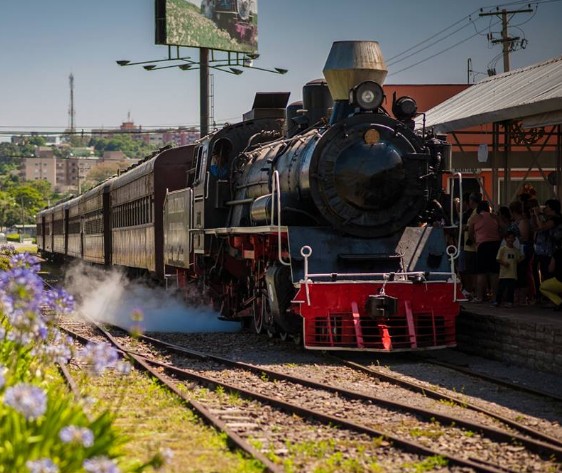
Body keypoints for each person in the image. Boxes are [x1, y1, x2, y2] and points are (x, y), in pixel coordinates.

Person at [467, 199, 502, 302]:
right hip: (496, 244)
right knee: (494, 272)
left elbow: (470, 234)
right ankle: (495, 297)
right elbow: (503, 228)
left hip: (482, 245)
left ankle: (479, 296)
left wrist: (476, 242)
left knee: (481, 272)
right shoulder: (494, 217)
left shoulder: (475, 218)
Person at [494, 230, 524, 308]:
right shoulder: (502, 249)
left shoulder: (516, 250)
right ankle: (498, 301)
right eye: (509, 238)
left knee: (511, 289)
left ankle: (509, 302)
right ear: (505, 239)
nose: (511, 240)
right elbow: (498, 259)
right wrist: (504, 263)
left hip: (512, 273)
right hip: (504, 273)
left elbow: (517, 260)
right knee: (501, 288)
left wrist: (522, 258)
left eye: (512, 238)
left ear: (514, 239)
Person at [539, 242, 562, 311]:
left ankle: (559, 301)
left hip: (559, 280)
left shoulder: (557, 253)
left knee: (542, 287)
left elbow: (550, 269)